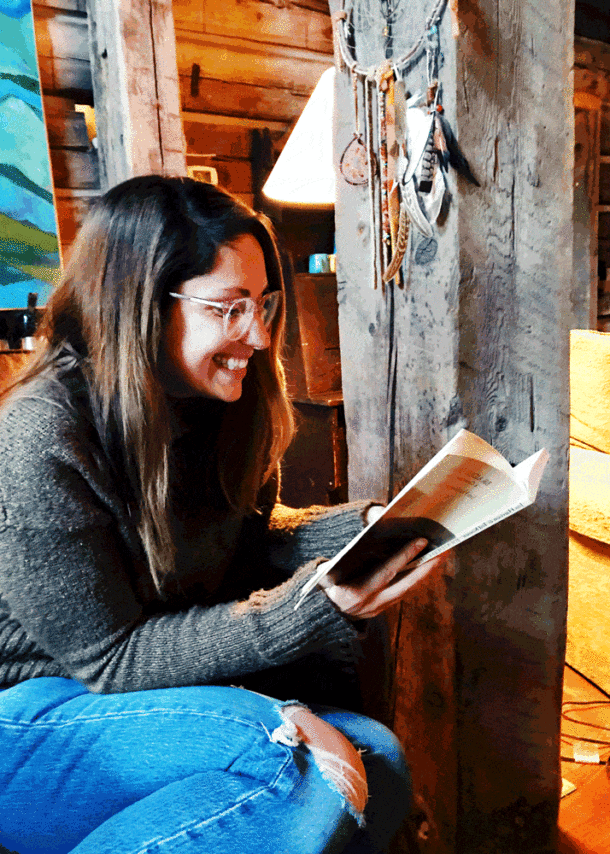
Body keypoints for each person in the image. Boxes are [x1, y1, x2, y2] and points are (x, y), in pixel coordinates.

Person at [0, 176, 446, 854]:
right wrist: (316, 605)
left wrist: (371, 527)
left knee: (376, 759)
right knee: (290, 763)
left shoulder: (216, 409)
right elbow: (111, 660)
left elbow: (246, 539)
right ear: (141, 305)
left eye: (263, 304)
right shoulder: (40, 437)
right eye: (229, 308)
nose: (259, 337)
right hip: (29, 712)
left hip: (119, 701)